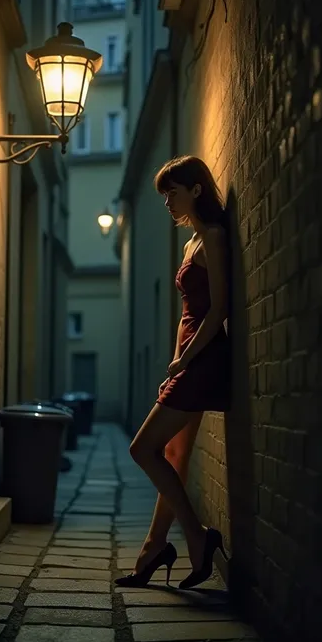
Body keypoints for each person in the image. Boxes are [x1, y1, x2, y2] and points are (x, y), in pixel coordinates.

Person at [115, 155, 230, 590]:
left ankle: (197, 538)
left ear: (196, 190)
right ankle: (153, 548)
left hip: (203, 361)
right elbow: (186, 312)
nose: (167, 202)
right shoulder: (190, 244)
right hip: (186, 360)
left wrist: (184, 361)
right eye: (163, 195)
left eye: (173, 193)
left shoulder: (215, 238)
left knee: (142, 450)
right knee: (176, 458)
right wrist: (174, 360)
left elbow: (218, 309)